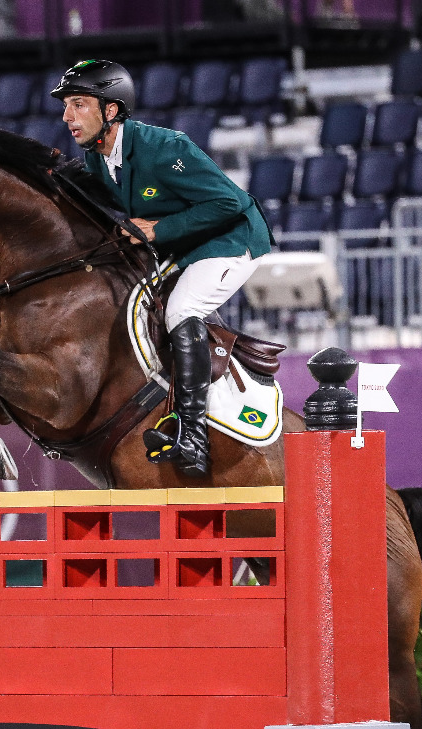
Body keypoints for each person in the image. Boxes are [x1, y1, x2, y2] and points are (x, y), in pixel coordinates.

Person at [51, 59, 274, 478]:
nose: (67, 117)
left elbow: (229, 203)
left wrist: (159, 229)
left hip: (233, 240)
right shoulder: (99, 157)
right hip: (186, 244)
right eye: (66, 106)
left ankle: (192, 435)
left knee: (181, 310)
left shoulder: (164, 147)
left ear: (111, 110)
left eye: (78, 104)